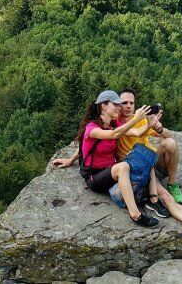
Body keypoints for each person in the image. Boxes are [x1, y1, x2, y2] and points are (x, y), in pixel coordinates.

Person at [50, 90, 158, 228]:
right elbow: (114, 135)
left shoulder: (113, 123)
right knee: (123, 166)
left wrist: (149, 124)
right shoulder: (92, 128)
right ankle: (135, 215)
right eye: (116, 104)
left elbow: (136, 132)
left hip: (109, 170)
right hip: (94, 176)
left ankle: (138, 195)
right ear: (104, 106)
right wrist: (135, 119)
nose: (120, 108)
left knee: (139, 159)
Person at [115, 89, 182, 235]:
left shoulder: (140, 118)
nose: (128, 106)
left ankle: (172, 183)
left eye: (131, 103)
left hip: (152, 160)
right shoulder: (115, 123)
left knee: (170, 143)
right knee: (165, 197)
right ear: (117, 104)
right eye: (124, 103)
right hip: (140, 168)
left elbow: (168, 135)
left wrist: (158, 127)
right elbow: (132, 132)